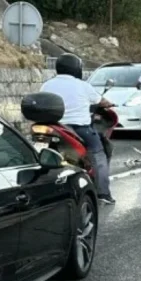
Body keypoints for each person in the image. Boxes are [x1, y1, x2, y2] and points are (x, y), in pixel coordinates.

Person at [41, 53, 117, 205]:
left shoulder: (47, 85)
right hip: (79, 128)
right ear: (76, 68)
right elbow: (100, 100)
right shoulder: (82, 85)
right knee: (99, 155)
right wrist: (109, 104)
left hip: (53, 127)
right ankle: (103, 193)